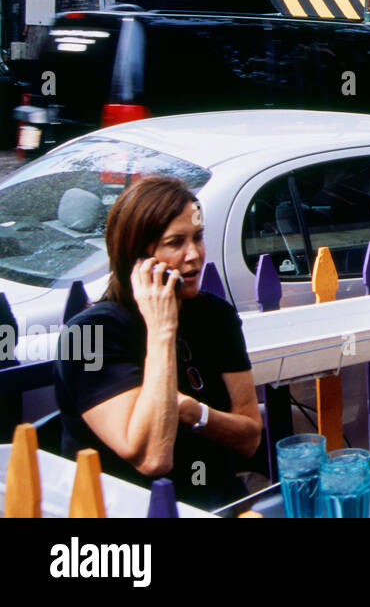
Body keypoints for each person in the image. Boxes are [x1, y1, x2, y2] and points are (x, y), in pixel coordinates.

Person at [54, 175, 262, 509]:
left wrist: (194, 412)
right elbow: (153, 458)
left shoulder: (215, 316)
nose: (193, 255)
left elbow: (250, 437)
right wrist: (161, 329)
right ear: (137, 258)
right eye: (175, 242)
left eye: (198, 237)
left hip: (215, 504)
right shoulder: (89, 334)